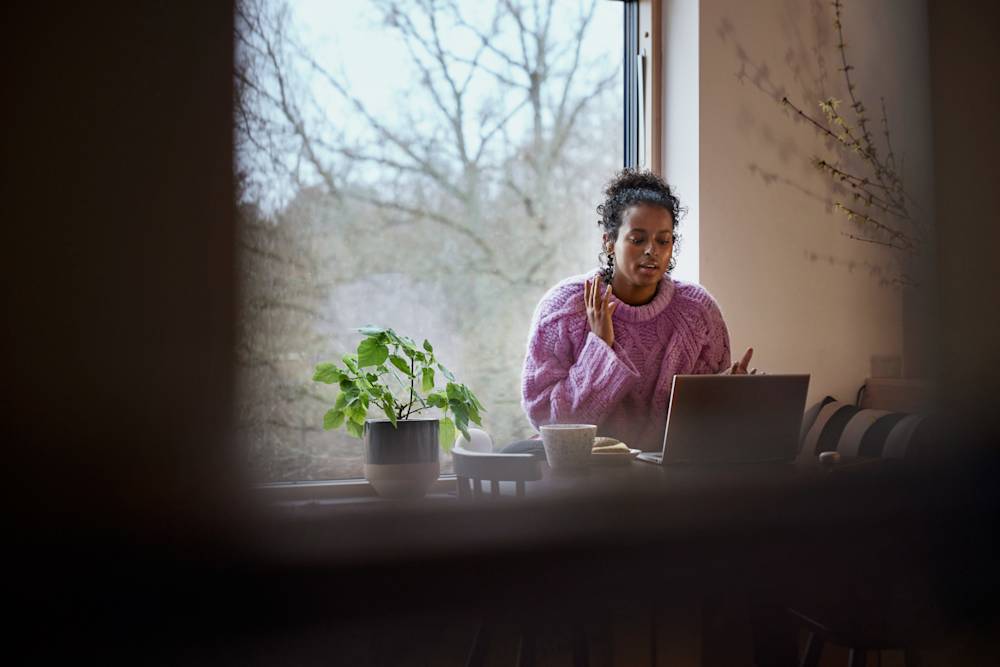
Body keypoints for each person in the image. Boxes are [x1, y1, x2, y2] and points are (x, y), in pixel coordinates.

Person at [519, 169, 755, 452]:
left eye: (663, 241)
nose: (651, 251)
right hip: (587, 475)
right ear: (609, 241)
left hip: (670, 480)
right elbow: (548, 420)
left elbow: (708, 436)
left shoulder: (698, 312)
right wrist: (599, 348)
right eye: (638, 239)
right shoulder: (564, 309)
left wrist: (729, 395)